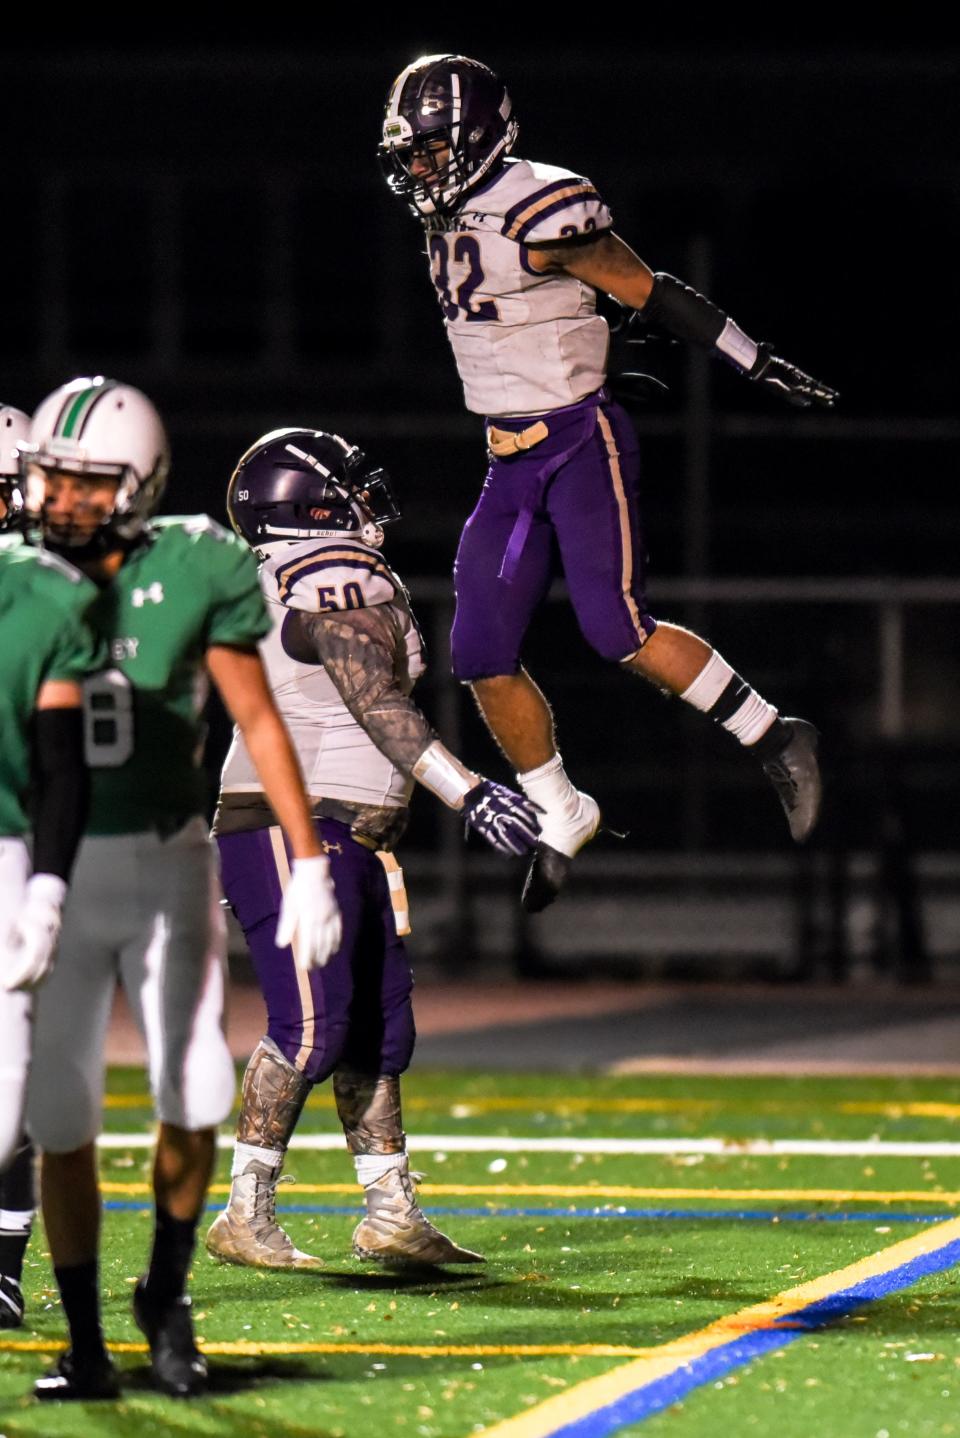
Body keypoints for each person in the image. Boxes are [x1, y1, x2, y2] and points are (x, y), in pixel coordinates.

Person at [379, 55, 837, 911]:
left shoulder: (538, 202)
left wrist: (756, 359)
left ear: (477, 137)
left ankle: (775, 734)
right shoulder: (450, 214)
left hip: (580, 445)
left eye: (432, 149)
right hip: (508, 461)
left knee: (615, 629)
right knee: (478, 651)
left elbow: (644, 287)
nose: (418, 168)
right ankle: (563, 808)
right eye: (410, 152)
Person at [16, 377, 343, 1403]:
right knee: (58, 1113)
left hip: (165, 859)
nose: (62, 500)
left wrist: (312, 859)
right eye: (53, 480)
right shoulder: (11, 578)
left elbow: (259, 719)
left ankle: (164, 1288)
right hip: (48, 868)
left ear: (140, 484)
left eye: (86, 483)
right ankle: (82, 1339)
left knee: (195, 1086)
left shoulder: (195, 564)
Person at [205, 427, 539, 1272]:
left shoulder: (295, 572)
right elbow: (371, 700)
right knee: (313, 1027)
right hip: (297, 826)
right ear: (308, 502)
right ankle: (246, 1210)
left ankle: (390, 1210)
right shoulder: (328, 572)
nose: (366, 499)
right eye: (348, 486)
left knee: (380, 1031)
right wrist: (468, 790)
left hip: (344, 829)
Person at [0, 402, 103, 1332]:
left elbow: (66, 764)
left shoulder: (45, 594)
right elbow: (67, 767)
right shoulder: (50, 590)